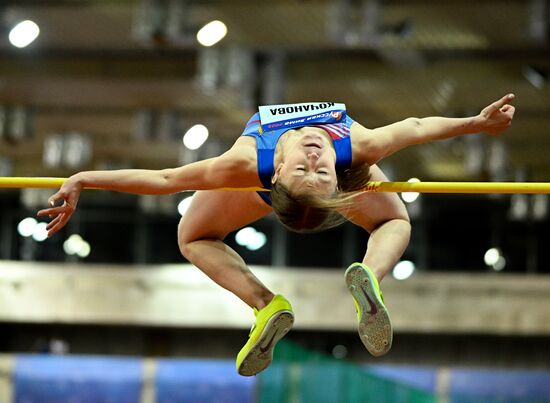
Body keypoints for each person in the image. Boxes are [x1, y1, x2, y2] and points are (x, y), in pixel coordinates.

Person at [38, 94, 515, 376]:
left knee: (193, 236)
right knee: (393, 222)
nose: (314, 155)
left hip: (274, 189)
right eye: (315, 167)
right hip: (274, 189)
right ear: (277, 172)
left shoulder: (260, 165)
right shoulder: (350, 149)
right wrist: (475, 123)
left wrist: (84, 178)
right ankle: (366, 274)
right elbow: (414, 126)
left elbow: (166, 181)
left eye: (319, 167)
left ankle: (269, 305)